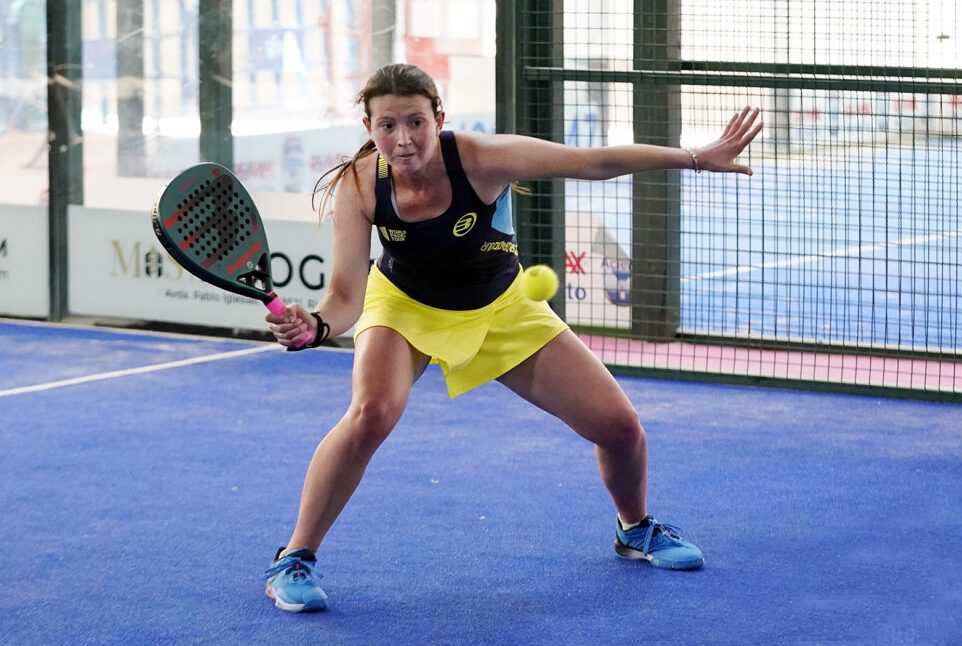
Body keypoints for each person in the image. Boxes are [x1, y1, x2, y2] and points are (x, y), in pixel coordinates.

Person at [263, 63, 762, 612]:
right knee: (371, 413)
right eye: (387, 125)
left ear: (439, 119)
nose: (402, 139)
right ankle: (294, 557)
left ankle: (635, 528)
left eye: (415, 122)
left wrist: (694, 157)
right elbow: (344, 296)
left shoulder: (483, 158)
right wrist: (318, 324)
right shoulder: (360, 184)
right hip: (404, 305)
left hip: (500, 307)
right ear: (368, 127)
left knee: (621, 429)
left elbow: (591, 162)